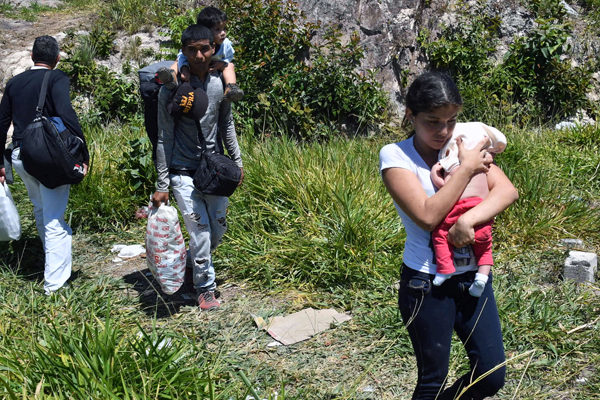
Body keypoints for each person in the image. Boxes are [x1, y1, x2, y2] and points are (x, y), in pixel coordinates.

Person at [379, 71, 518, 399]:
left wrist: (467, 221)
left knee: (491, 373)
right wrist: (468, 167)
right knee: (433, 379)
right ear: (410, 115)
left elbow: (507, 191)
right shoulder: (395, 157)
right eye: (432, 121)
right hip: (426, 283)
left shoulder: (462, 147)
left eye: (451, 121)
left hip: (473, 280)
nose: (443, 132)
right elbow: (428, 215)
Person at [151, 24, 244, 311]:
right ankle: (205, 288)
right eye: (192, 50)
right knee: (201, 232)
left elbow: (227, 125)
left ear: (213, 48)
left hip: (214, 169)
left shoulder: (219, 85)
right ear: (184, 51)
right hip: (182, 172)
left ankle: (193, 262)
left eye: (204, 48)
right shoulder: (173, 89)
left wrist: (237, 165)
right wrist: (162, 183)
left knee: (218, 230)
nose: (199, 55)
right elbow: (164, 136)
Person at [0, 35, 89, 295]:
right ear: (57, 59)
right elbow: (66, 111)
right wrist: (81, 149)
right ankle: (55, 284)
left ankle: (50, 261)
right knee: (54, 218)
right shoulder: (57, 77)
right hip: (48, 157)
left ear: (31, 56)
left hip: (21, 156)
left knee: (40, 209)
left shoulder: (14, 82)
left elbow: (2, 122)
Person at [430, 122, 507, 297]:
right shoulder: (485, 168)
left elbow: (446, 187)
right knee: (485, 249)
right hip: (482, 213)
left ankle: (445, 268)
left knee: (440, 234)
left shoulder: (454, 168)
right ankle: (482, 276)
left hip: (459, 210)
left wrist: (435, 175)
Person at [158, 6, 244, 102]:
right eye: (218, 29)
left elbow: (229, 57)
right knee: (177, 62)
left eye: (224, 28)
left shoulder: (226, 44)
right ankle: (171, 77)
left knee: (230, 66)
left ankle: (231, 89)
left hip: (215, 65)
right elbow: (182, 57)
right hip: (193, 64)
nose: (223, 33)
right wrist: (184, 69)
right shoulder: (195, 43)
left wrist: (222, 63)